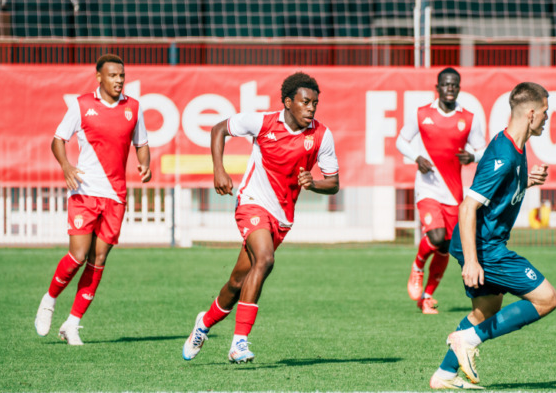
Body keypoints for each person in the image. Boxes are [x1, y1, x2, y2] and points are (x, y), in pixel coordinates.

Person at [182, 72, 339, 364]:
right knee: (265, 260)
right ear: (288, 102)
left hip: (282, 217)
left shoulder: (321, 135)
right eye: (305, 102)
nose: (311, 108)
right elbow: (219, 129)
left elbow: (334, 183)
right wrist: (219, 169)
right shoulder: (262, 122)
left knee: (237, 282)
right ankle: (239, 342)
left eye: (315, 103)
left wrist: (313, 183)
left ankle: (203, 324)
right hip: (252, 204)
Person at [429, 81, 556, 390]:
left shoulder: (515, 146)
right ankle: (467, 340)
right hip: (485, 247)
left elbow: (495, 194)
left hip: (484, 242)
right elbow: (467, 207)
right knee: (546, 298)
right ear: (530, 113)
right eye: (545, 112)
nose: (546, 118)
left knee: (485, 311)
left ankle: (444, 375)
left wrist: (525, 181)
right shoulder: (503, 154)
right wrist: (472, 262)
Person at [34, 54, 151, 346]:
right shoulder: (82, 105)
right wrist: (66, 166)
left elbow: (143, 144)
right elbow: (57, 140)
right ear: (99, 77)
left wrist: (145, 164)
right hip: (85, 191)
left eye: (122, 76)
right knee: (77, 256)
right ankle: (48, 301)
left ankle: (72, 324)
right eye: (113, 75)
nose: (119, 80)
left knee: (98, 260)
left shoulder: (133, 108)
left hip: (116, 196)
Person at [397, 67, 485, 314]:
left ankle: (427, 297)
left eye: (454, 85)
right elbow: (401, 140)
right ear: (438, 87)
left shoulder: (469, 118)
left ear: (459, 87)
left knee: (446, 247)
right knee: (435, 237)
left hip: (454, 192)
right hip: (427, 188)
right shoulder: (422, 114)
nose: (450, 88)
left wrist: (472, 156)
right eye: (445, 84)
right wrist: (416, 157)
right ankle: (417, 267)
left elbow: (482, 148)